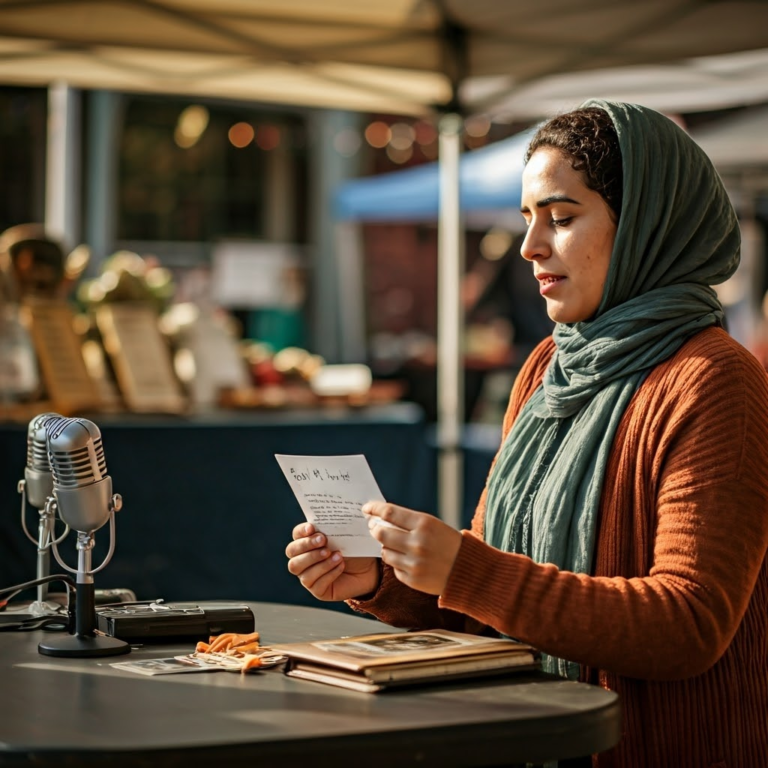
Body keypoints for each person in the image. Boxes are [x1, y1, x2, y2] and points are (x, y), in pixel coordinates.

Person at [285, 101, 768, 768]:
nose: (530, 246)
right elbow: (495, 592)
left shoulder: (715, 380)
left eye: (562, 218)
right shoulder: (548, 366)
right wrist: (381, 579)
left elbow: (688, 625)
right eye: (527, 219)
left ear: (645, 226)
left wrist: (466, 568)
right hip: (531, 740)